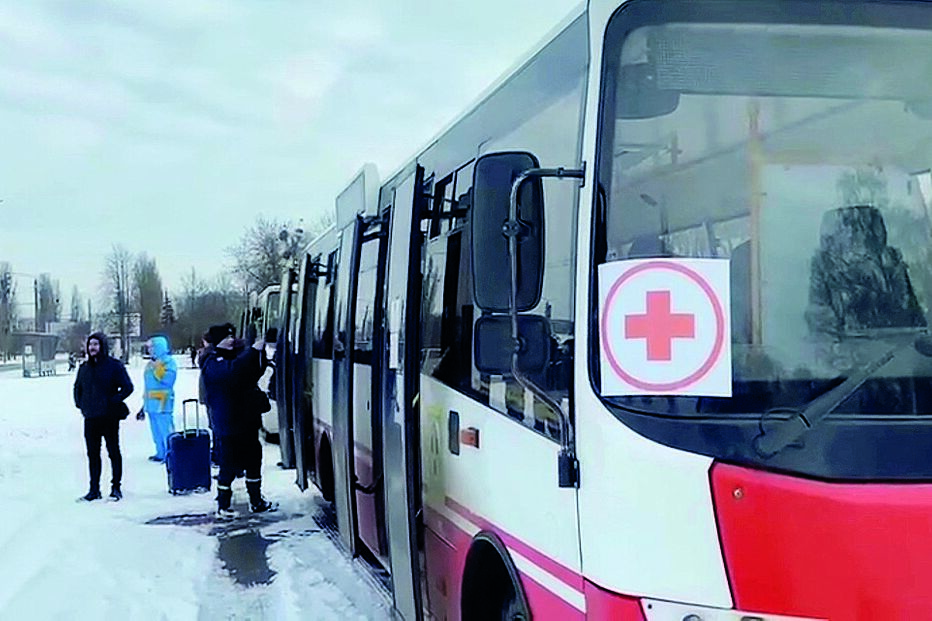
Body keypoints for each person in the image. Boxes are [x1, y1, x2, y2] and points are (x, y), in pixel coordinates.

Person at [201, 323, 277, 519]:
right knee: (229, 465)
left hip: (247, 420)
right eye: (226, 337)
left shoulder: (234, 356)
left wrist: (259, 353)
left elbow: (251, 371)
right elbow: (231, 372)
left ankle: (256, 500)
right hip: (228, 424)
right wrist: (252, 351)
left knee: (254, 461)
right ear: (217, 341)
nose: (231, 340)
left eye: (231, 336)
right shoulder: (211, 361)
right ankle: (223, 504)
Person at [73, 332, 134, 502]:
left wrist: (112, 401)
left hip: (109, 417)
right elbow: (77, 388)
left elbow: (128, 387)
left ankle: (116, 487)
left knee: (113, 451)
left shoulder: (114, 366)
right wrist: (80, 403)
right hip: (90, 417)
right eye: (90, 344)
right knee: (92, 454)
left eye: (96, 344)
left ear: (102, 346)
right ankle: (94, 489)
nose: (92, 348)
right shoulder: (84, 368)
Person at [140, 335, 177, 463]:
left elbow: (168, 380)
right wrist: (143, 404)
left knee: (165, 429)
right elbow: (148, 385)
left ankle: (171, 453)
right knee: (155, 430)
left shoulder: (168, 362)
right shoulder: (151, 363)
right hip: (151, 403)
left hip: (163, 402)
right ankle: (160, 452)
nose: (149, 350)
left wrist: (158, 368)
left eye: (151, 347)